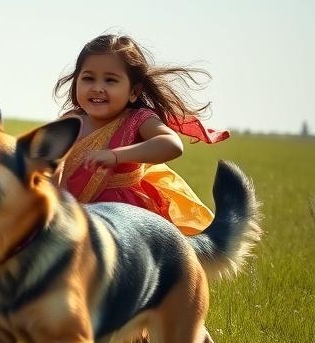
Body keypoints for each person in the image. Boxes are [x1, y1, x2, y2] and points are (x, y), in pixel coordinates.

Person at [53, 33, 229, 235]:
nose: (98, 88)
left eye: (110, 80)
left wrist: (117, 155)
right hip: (72, 214)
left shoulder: (137, 119)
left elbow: (172, 145)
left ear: (133, 92)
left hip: (124, 221)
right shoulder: (69, 122)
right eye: (88, 78)